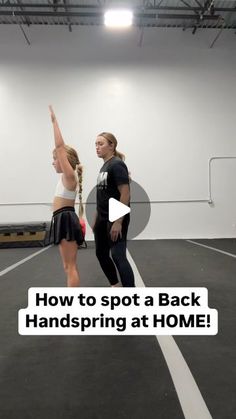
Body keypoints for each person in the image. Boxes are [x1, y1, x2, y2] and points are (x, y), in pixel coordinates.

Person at [93, 132, 135, 287]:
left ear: (112, 145)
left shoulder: (116, 164)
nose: (97, 147)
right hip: (102, 219)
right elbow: (103, 195)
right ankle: (115, 286)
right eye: (96, 144)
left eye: (101, 144)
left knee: (118, 256)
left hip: (115, 218)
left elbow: (125, 193)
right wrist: (97, 218)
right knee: (101, 254)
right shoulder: (105, 165)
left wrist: (118, 221)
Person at [49, 106, 84, 287]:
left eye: (55, 159)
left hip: (65, 219)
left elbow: (60, 146)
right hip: (63, 217)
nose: (53, 162)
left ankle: (73, 306)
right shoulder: (66, 178)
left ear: (64, 161)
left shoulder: (69, 176)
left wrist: (54, 122)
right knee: (68, 266)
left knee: (69, 266)